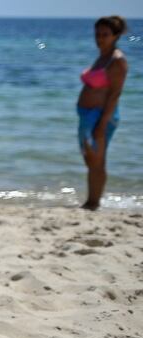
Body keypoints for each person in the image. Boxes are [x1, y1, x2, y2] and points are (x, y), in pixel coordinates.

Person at [77, 16, 128, 211]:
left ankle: (94, 202)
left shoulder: (117, 61)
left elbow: (115, 95)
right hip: (87, 115)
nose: (99, 38)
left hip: (100, 117)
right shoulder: (102, 57)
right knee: (90, 160)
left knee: (97, 160)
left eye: (105, 35)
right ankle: (91, 200)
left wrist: (102, 124)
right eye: (97, 34)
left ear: (115, 36)